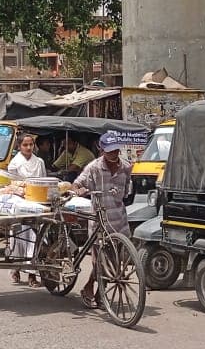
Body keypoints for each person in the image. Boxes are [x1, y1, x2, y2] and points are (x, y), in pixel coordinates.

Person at [70, 131, 133, 308]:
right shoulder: (94, 168)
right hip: (100, 220)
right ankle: (89, 288)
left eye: (116, 151)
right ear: (101, 150)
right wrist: (78, 190)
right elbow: (77, 183)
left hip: (119, 219)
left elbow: (127, 192)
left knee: (115, 262)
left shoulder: (126, 167)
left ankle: (99, 294)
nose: (113, 154)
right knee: (99, 261)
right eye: (109, 151)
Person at [7, 133, 47, 286]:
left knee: (36, 238)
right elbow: (11, 185)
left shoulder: (40, 162)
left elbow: (43, 181)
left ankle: (32, 273)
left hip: (37, 204)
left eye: (31, 145)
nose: (29, 147)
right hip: (20, 204)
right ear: (19, 146)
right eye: (25, 145)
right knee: (19, 237)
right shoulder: (15, 163)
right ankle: (17, 268)